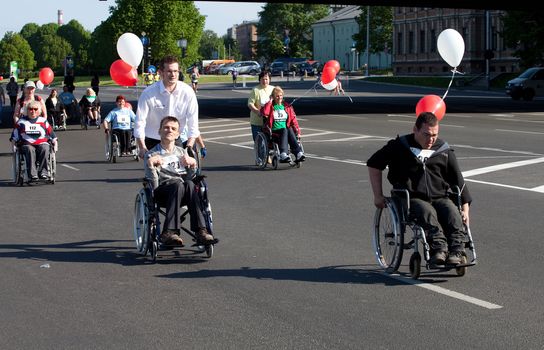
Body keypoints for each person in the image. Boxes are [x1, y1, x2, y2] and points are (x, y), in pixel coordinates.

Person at [366, 112, 471, 266]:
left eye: (434, 135)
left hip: (440, 196)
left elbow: (459, 182)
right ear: (415, 129)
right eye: (426, 134)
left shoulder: (443, 150)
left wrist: (465, 210)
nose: (431, 139)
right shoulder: (399, 146)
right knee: (427, 212)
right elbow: (374, 164)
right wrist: (378, 195)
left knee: (452, 214)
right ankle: (439, 250)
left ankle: (457, 251)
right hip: (412, 198)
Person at [144, 116, 214, 245]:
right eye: (166, 127)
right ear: (159, 131)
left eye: (173, 128)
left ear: (177, 134)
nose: (169, 130)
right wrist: (151, 166)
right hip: (163, 192)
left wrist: (193, 166)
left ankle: (201, 231)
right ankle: (169, 232)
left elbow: (189, 178)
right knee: (178, 184)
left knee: (188, 184)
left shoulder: (182, 152)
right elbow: (153, 185)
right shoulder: (152, 154)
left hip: (183, 192)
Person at [135, 55, 200, 159]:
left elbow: (193, 123)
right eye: (169, 71)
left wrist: (189, 147)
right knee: (155, 172)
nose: (173, 75)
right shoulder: (148, 93)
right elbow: (139, 122)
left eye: (176, 71)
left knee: (181, 172)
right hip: (153, 138)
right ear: (161, 73)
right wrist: (142, 147)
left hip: (175, 139)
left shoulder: (188, 92)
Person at [10, 100, 57, 181]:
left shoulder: (43, 121)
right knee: (29, 149)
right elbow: (14, 136)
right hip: (26, 143)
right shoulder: (21, 122)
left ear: (39, 110)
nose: (33, 111)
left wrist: (55, 143)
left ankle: (43, 172)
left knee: (45, 148)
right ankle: (32, 174)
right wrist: (13, 146)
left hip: (42, 142)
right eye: (30, 109)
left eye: (35, 109)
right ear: (26, 110)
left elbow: (52, 134)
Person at [260, 86, 305, 162]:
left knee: (289, 129)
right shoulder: (271, 106)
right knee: (285, 129)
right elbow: (264, 112)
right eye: (277, 96)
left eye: (281, 95)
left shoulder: (287, 106)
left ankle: (298, 153)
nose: (279, 97)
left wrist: (298, 132)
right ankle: (283, 153)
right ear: (273, 97)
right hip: (274, 131)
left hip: (285, 130)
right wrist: (270, 101)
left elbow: (293, 120)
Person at [247, 70, 274, 142]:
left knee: (270, 142)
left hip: (270, 121)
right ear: (259, 80)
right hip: (257, 121)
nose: (265, 81)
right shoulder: (255, 90)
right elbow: (250, 104)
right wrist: (257, 112)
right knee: (258, 142)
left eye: (266, 79)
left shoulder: (273, 89)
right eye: (263, 79)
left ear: (269, 80)